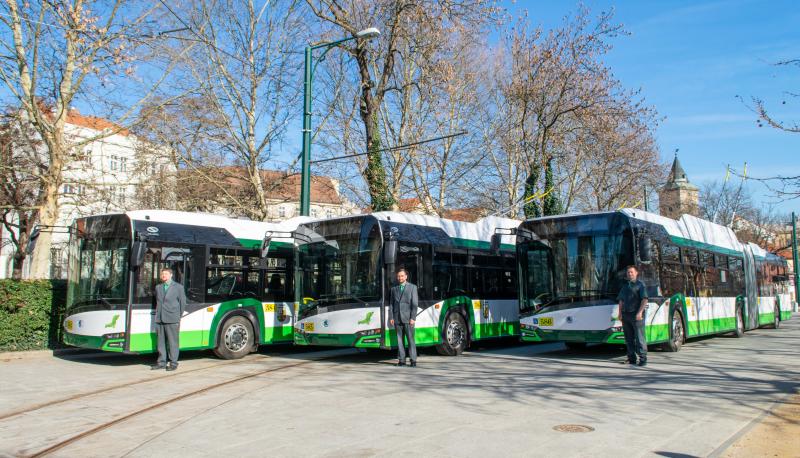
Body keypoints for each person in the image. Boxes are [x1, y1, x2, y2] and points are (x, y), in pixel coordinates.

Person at [152, 267, 187, 371]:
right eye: (163, 274)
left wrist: (177, 316)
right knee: (160, 343)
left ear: (171, 275)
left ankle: (173, 363)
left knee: (173, 342)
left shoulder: (178, 287)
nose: (164, 276)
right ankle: (161, 362)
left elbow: (182, 303)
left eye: (166, 274)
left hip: (172, 318)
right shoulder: (158, 287)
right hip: (159, 319)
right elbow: (157, 302)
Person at [617, 265, 648, 367]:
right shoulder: (625, 286)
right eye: (628, 272)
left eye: (631, 272)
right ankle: (632, 358)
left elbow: (644, 299)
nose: (629, 274)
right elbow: (621, 301)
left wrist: (640, 312)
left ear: (636, 273)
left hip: (636, 315)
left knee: (640, 338)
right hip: (626, 316)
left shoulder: (640, 285)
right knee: (628, 338)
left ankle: (643, 359)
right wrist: (620, 313)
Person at [389, 268, 419, 367]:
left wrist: (413, 318)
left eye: (402, 276)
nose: (400, 278)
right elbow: (392, 305)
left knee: (411, 340)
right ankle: (401, 360)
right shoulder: (394, 289)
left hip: (408, 319)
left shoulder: (412, 287)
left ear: (406, 276)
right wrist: (391, 317)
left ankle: (413, 360)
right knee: (399, 341)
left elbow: (414, 304)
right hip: (397, 318)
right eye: (398, 276)